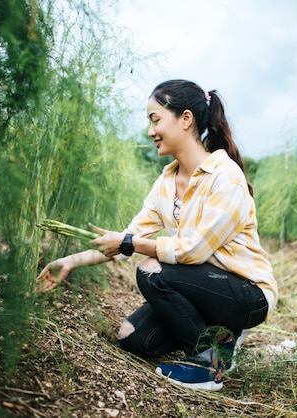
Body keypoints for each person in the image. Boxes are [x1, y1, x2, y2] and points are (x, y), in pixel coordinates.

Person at [36, 79, 278, 391]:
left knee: (150, 269)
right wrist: (70, 261)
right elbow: (127, 238)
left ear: (186, 119)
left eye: (156, 119)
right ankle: (221, 337)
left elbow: (193, 252)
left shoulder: (225, 175)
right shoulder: (165, 182)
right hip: (199, 289)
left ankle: (209, 365)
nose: (151, 131)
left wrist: (132, 244)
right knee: (131, 338)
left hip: (245, 294)